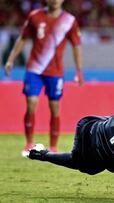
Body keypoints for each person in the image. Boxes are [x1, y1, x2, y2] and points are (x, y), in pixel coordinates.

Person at [4, 0, 84, 156]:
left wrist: (79, 71)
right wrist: (11, 59)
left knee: (54, 107)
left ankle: (53, 147)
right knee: (31, 103)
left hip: (55, 72)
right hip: (34, 68)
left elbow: (76, 46)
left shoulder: (69, 21)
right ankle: (28, 143)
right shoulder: (35, 16)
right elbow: (22, 38)